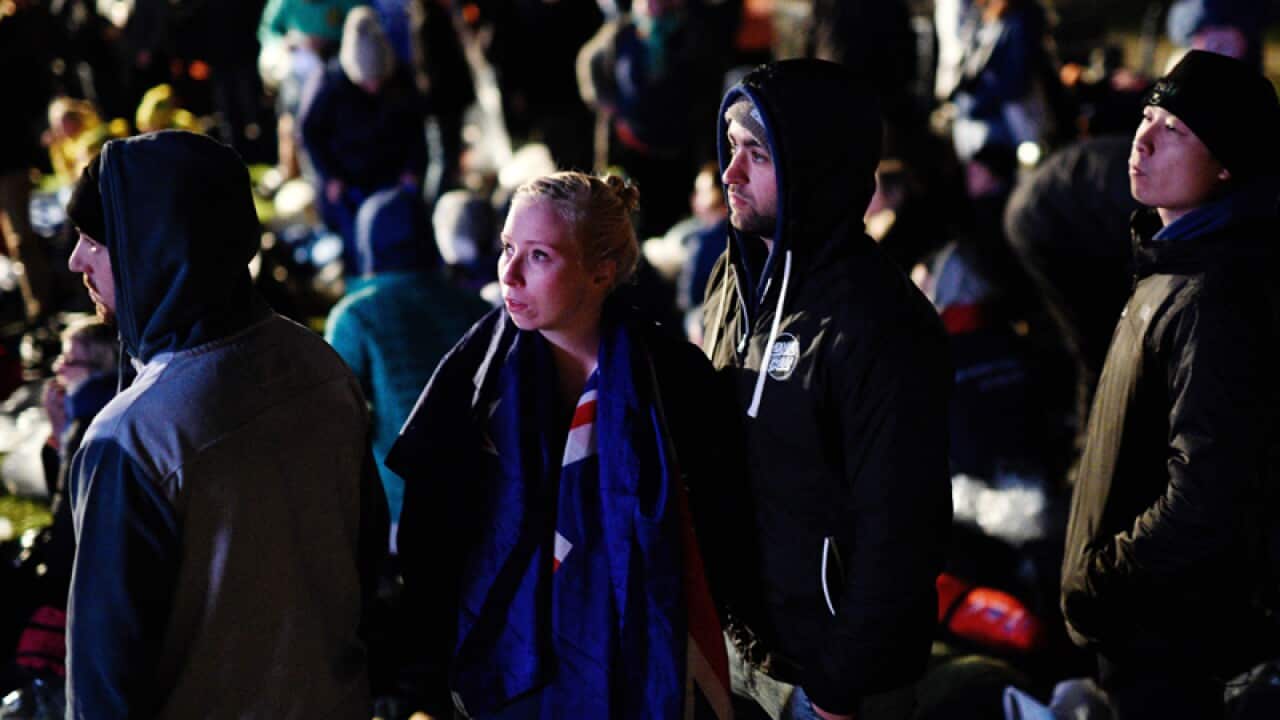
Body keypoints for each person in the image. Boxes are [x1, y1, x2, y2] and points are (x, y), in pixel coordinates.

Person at [387, 171, 755, 718]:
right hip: (504, 666)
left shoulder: (672, 379)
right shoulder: (475, 375)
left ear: (602, 270)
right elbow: (430, 535)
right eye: (507, 247)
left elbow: (726, 527)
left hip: (640, 659)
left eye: (539, 256)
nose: (509, 274)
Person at [62, 130, 388, 718]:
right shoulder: (318, 365)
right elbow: (365, 573)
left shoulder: (134, 439)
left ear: (152, 248)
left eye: (94, 240)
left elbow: (105, 683)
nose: (75, 260)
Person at [701, 59, 952, 720]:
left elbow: (901, 530)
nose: (729, 174)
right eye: (731, 149)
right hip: (743, 654)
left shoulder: (880, 322)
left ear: (816, 166)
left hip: (838, 688)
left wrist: (839, 684)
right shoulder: (731, 285)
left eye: (756, 153)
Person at [1059, 49, 1280, 719]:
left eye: (1175, 129)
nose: (1143, 139)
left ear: (1226, 164)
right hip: (1141, 628)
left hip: (1169, 640)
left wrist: (1100, 581)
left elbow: (1205, 495)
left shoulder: (1215, 296)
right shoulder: (1167, 267)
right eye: (1147, 115)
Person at [325, 185, 490, 544]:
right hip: (482, 499)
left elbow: (333, 423)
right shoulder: (477, 308)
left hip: (399, 508)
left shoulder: (356, 316)